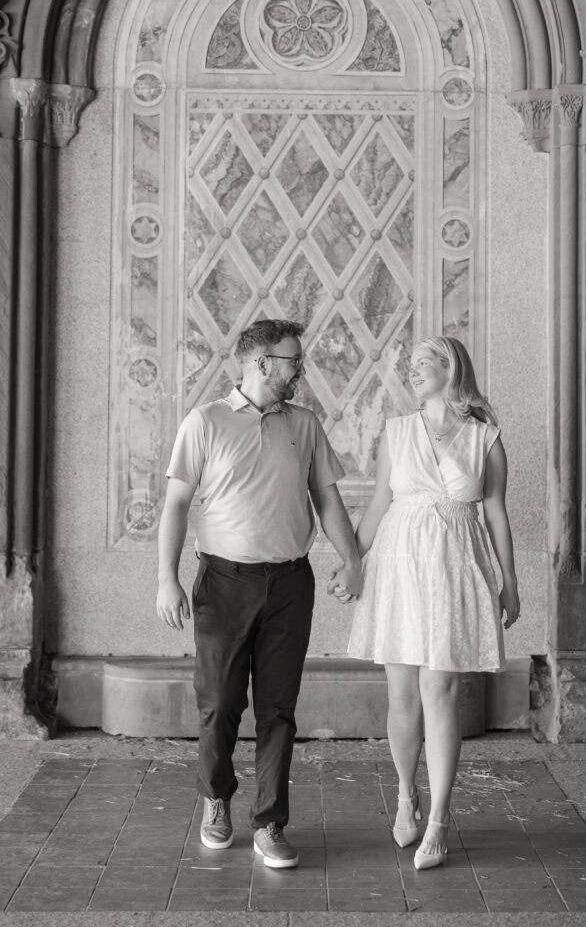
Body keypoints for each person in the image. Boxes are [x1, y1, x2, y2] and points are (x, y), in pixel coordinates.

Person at [156, 319, 361, 869]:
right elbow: (176, 504)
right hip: (223, 583)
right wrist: (165, 579)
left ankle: (271, 822)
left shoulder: (305, 424)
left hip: (291, 584)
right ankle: (216, 800)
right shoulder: (205, 421)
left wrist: (353, 558)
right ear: (260, 363)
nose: (301, 368)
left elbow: (327, 498)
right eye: (293, 359)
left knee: (278, 709)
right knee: (220, 703)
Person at [336, 335, 520, 870]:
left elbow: (496, 514)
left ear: (450, 368)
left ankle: (438, 819)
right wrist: (351, 561)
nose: (412, 371)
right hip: (398, 566)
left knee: (440, 689)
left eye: (424, 363)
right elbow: (376, 507)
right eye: (410, 364)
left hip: (454, 567)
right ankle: (404, 793)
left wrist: (509, 579)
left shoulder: (486, 438)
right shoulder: (396, 432)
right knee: (402, 696)